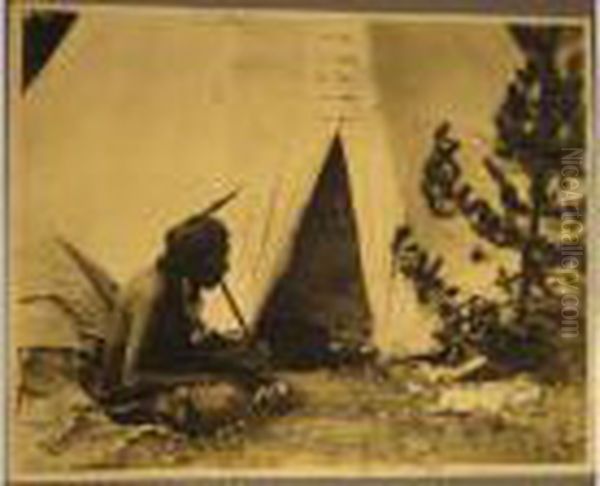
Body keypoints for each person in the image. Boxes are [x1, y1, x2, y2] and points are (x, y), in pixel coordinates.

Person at [98, 216, 271, 410]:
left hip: (161, 373)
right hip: (124, 398)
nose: (226, 267)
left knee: (250, 375)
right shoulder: (152, 294)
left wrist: (234, 355)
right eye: (219, 258)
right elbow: (132, 377)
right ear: (195, 260)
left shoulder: (181, 286)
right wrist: (207, 378)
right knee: (227, 399)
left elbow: (180, 348)